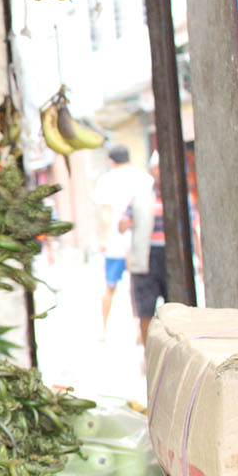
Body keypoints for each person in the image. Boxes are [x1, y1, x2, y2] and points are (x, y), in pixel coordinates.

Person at [92, 143, 152, 338]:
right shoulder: (143, 178)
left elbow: (106, 213)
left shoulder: (106, 180)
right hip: (139, 241)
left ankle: (103, 328)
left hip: (115, 242)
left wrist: (104, 238)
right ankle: (139, 330)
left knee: (110, 286)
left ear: (111, 161)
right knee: (137, 286)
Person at [125, 155, 166, 349]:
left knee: (175, 309)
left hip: (169, 256)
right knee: (145, 311)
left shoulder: (177, 196)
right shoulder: (140, 197)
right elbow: (124, 223)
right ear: (152, 171)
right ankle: (148, 353)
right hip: (147, 257)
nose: (159, 172)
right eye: (156, 168)